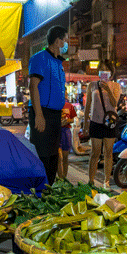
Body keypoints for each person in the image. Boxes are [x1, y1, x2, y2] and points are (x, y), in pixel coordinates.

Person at [28, 25, 69, 184]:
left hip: (54, 115)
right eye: (65, 40)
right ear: (58, 41)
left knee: (53, 156)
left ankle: (48, 190)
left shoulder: (58, 63)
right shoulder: (39, 58)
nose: (66, 43)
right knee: (42, 156)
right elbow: (33, 86)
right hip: (42, 112)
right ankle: (38, 192)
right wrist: (39, 115)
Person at [83, 62, 122, 189]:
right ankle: (91, 180)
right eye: (101, 70)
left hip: (110, 123)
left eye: (106, 70)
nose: (103, 72)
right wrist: (85, 124)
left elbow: (114, 103)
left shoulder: (116, 86)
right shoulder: (92, 85)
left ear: (111, 72)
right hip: (95, 122)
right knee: (95, 152)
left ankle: (106, 182)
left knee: (108, 152)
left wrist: (108, 90)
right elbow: (88, 105)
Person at [58, 95, 77, 180]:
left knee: (65, 157)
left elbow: (73, 119)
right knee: (59, 157)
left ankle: (64, 178)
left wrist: (68, 121)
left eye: (65, 93)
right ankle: (60, 177)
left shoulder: (70, 106)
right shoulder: (54, 105)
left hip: (66, 132)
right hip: (57, 132)